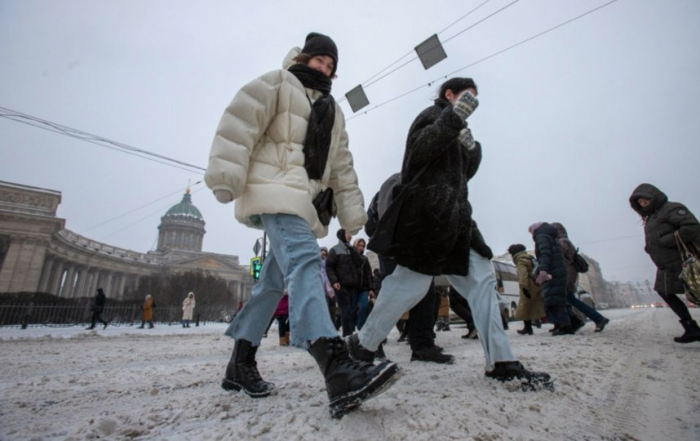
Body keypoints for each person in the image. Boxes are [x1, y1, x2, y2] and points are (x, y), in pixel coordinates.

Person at [204, 32, 401, 418]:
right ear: (305, 57)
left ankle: (239, 363)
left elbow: (341, 164)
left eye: (331, 67)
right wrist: (226, 175)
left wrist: (351, 212)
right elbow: (240, 122)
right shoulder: (278, 83)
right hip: (274, 190)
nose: (324, 69)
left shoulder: (332, 109)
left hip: (305, 202)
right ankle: (335, 366)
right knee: (307, 261)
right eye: (320, 62)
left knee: (272, 284)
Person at [347, 77, 551, 389]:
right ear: (449, 94)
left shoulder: (455, 129)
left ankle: (501, 361)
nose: (472, 101)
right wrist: (454, 119)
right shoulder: (430, 117)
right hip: (427, 221)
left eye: (474, 98)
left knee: (482, 282)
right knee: (407, 286)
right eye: (466, 95)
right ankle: (362, 346)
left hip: (456, 224)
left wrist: (472, 148)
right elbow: (417, 155)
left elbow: (463, 173)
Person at [630, 183, 700, 343]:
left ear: (654, 197)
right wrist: (650, 248)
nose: (643, 203)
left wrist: (667, 240)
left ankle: (692, 329)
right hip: (666, 265)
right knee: (665, 292)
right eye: (639, 201)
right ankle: (691, 328)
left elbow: (691, 227)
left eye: (645, 199)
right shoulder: (651, 217)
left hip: (683, 261)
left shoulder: (671, 208)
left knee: (696, 291)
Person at [551, 223, 610, 332]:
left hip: (567, 274)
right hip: (569, 273)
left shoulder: (562, 242)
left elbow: (561, 259)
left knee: (569, 299)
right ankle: (588, 320)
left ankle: (596, 319)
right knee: (568, 299)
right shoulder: (564, 241)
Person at [528, 222, 582, 336]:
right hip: (558, 269)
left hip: (553, 271)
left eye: (531, 231)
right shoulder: (550, 236)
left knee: (554, 300)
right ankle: (568, 323)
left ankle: (567, 325)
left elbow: (545, 254)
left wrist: (542, 270)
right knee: (556, 299)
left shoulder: (541, 237)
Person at [325, 229, 363, 336]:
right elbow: (329, 267)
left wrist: (353, 250)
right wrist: (334, 281)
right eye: (348, 233)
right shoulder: (334, 250)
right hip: (340, 286)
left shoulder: (352, 249)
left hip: (353, 286)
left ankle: (344, 331)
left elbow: (360, 262)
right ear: (342, 235)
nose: (350, 236)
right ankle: (347, 335)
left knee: (352, 311)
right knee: (345, 312)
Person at [507, 244, 545, 336]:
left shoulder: (520, 260)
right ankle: (531, 326)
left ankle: (527, 328)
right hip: (536, 284)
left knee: (524, 307)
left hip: (528, 285)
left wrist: (524, 287)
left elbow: (522, 275)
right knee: (534, 306)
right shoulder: (529, 257)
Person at [353, 238, 376, 330]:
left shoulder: (365, 259)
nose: (361, 248)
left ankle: (360, 326)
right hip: (352, 288)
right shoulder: (350, 258)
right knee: (351, 310)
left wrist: (371, 289)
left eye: (363, 246)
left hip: (363, 289)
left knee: (364, 307)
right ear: (355, 246)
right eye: (359, 245)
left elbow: (369, 274)